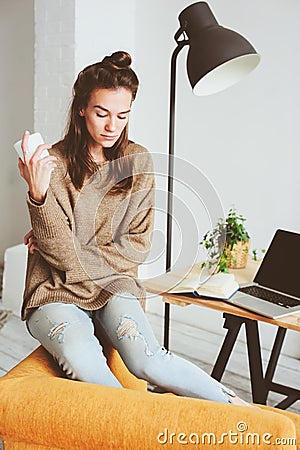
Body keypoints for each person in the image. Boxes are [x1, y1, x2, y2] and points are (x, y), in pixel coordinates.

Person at [18, 50, 253, 407]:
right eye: (102, 113)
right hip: (54, 292)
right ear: (81, 108)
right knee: (91, 370)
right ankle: (140, 434)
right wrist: (39, 197)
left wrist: (63, 241)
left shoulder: (138, 160)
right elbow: (61, 257)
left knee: (149, 360)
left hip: (115, 286)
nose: (112, 126)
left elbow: (137, 246)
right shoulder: (52, 162)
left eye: (122, 115)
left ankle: (243, 412)